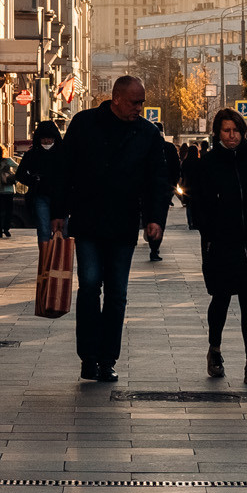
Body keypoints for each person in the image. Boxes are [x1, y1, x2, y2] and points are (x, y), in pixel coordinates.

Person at [54, 75, 178, 382]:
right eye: (135, 102)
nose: (140, 107)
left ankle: (108, 358)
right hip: (88, 220)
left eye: (142, 102)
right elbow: (63, 169)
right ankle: (88, 356)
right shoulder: (84, 124)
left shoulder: (147, 134)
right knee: (90, 284)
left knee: (117, 293)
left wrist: (154, 219)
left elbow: (157, 180)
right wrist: (59, 211)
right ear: (116, 98)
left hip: (123, 224)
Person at [184, 108, 247, 385]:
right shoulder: (209, 163)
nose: (232, 135)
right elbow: (199, 202)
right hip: (223, 244)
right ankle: (215, 349)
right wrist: (211, 232)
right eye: (226, 130)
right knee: (221, 299)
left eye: (236, 130)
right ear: (218, 133)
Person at [18, 120, 63, 240]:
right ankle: (45, 255)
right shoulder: (32, 155)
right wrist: (34, 180)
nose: (47, 141)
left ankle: (60, 257)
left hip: (61, 197)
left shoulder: (63, 154)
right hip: (41, 196)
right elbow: (20, 174)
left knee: (62, 230)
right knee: (43, 229)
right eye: (44, 139)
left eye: (49, 138)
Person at [179, 142, 204, 231]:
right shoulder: (199, 162)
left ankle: (190, 223)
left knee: (189, 206)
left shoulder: (185, 162)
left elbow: (182, 174)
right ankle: (196, 221)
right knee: (197, 205)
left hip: (187, 186)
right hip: (197, 186)